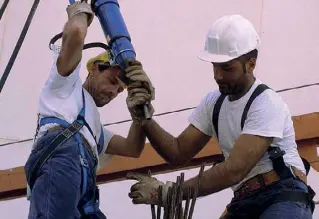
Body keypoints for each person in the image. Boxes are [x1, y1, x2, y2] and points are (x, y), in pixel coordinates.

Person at [125, 14, 315, 218]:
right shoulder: (213, 103)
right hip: (243, 200)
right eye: (215, 66)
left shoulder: (266, 103)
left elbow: (234, 170)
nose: (218, 75)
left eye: (227, 68)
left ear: (251, 64)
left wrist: (171, 193)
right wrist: (144, 118)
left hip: (281, 196)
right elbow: (177, 152)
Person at [24, 2, 154, 219]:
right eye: (112, 81)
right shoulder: (65, 85)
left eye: (120, 91)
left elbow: (133, 148)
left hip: (84, 181)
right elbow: (75, 32)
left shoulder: (94, 131)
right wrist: (80, 7)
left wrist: (140, 111)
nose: (114, 91)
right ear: (94, 69)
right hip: (61, 160)